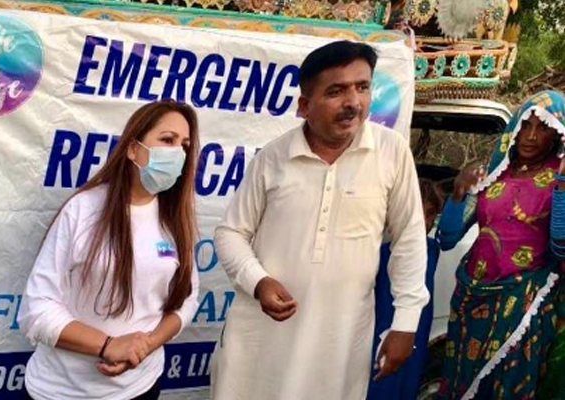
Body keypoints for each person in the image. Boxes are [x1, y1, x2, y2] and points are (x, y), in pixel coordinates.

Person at [210, 40, 430, 400]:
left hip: (340, 343)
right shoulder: (273, 157)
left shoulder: (391, 152)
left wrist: (405, 323)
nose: (353, 103)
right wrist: (258, 281)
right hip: (261, 340)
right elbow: (231, 232)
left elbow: (408, 238)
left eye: (362, 87)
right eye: (336, 91)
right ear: (304, 105)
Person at [18, 100, 200, 400]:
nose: (178, 153)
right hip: (64, 392)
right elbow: (37, 310)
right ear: (132, 149)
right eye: (167, 140)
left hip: (142, 386)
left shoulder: (175, 220)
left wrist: (147, 345)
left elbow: (187, 297)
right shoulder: (83, 210)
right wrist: (108, 345)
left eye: (185, 145)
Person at [438, 90, 565, 400]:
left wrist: (562, 186)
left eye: (543, 127)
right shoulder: (493, 175)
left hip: (522, 303)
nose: (531, 136)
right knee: (460, 383)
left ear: (558, 135)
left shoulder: (556, 180)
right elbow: (447, 238)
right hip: (471, 298)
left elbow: (561, 245)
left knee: (506, 387)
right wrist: (458, 195)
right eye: (525, 125)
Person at [366, 178, 444, 400]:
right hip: (383, 336)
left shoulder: (431, 249)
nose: (424, 221)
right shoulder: (380, 252)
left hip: (415, 335)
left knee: (406, 385)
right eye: (416, 212)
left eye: (430, 214)